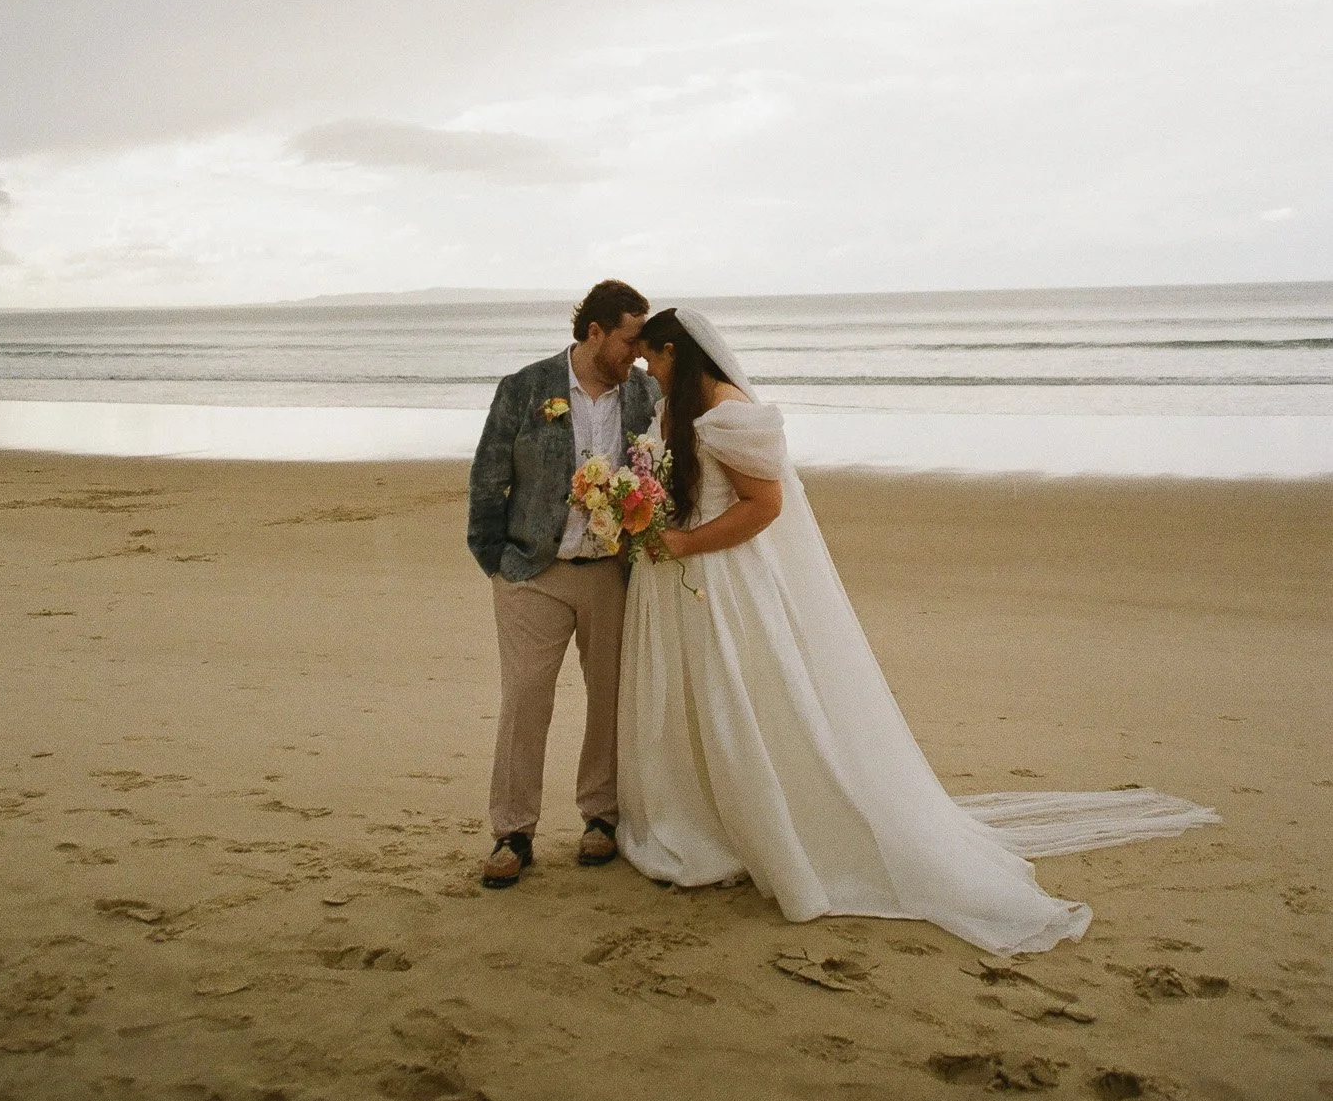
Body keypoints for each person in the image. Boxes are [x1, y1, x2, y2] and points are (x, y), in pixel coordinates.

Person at [617, 305, 1220, 957]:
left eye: (654, 358)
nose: (649, 369)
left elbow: (764, 506)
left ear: (679, 351)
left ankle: (765, 831)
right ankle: (706, 824)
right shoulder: (679, 405)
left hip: (724, 580)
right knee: (694, 704)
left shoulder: (730, 412)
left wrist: (683, 542)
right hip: (681, 577)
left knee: (737, 698)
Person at [468, 279, 659, 889]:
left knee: (609, 698)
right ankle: (513, 832)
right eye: (630, 338)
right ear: (596, 332)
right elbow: (487, 479)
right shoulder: (524, 389)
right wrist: (497, 560)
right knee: (527, 700)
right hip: (533, 573)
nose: (638, 352)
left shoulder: (644, 396)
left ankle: (600, 819)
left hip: (612, 573)